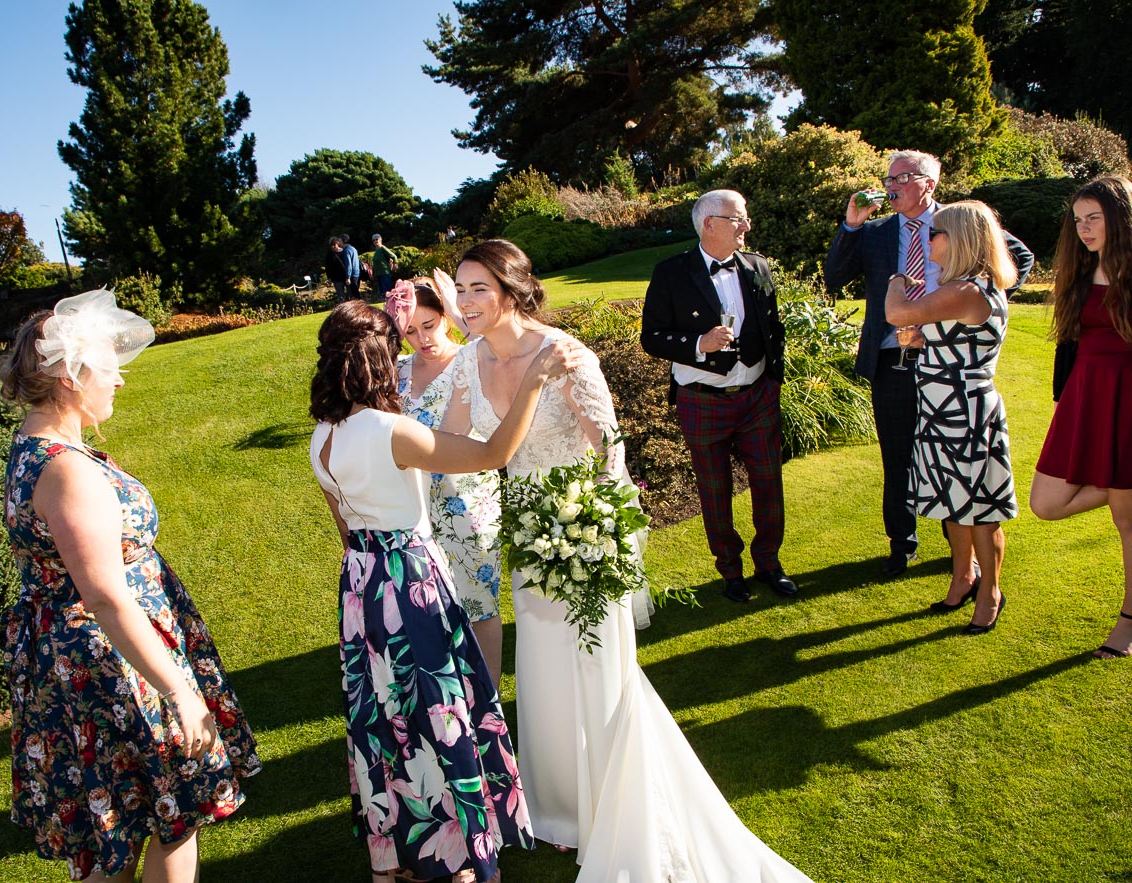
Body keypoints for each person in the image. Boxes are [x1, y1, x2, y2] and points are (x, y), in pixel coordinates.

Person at [442, 239, 813, 882]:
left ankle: (611, 807)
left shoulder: (565, 354)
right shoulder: (469, 361)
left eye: (479, 288)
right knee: (542, 666)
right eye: (461, 288)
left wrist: (588, 523)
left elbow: (608, 450)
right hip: (529, 533)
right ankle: (559, 808)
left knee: (596, 667)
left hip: (584, 531)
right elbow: (450, 440)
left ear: (511, 290)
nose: (466, 302)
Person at [310, 300, 582, 882]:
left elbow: (346, 530)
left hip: (361, 586)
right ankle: (457, 853)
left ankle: (403, 851)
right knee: (438, 710)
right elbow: (492, 454)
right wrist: (534, 381)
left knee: (387, 715)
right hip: (411, 581)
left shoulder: (321, 438)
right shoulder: (393, 431)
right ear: (379, 362)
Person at [0, 290, 261, 882]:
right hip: (110, 663)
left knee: (117, 825)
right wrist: (179, 691)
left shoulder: (35, 449)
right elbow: (106, 597)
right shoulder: (66, 469)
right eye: (107, 368)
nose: (119, 380)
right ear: (70, 378)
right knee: (175, 814)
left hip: (82, 661)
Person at [825, 150, 1034, 580]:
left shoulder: (960, 223)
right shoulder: (876, 232)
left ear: (929, 184)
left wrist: (974, 313)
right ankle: (901, 545)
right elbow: (834, 277)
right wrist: (852, 225)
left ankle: (961, 553)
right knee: (898, 456)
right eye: (888, 179)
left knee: (951, 453)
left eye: (901, 178)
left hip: (949, 362)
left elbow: (1019, 257)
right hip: (893, 359)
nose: (890, 186)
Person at [640, 189, 795, 603]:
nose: (747, 226)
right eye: (738, 218)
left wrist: (773, 380)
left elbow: (773, 327)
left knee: (768, 481)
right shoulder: (672, 272)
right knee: (714, 489)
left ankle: (769, 563)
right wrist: (698, 343)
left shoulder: (757, 265)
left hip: (758, 395)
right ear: (710, 224)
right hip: (702, 397)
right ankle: (730, 570)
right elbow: (651, 337)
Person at [884, 201, 1019, 634]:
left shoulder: (969, 290)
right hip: (942, 409)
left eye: (935, 232)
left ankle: (990, 591)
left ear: (959, 239)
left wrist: (896, 280)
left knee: (980, 507)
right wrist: (922, 342)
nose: (928, 239)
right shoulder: (963, 288)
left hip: (965, 412)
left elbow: (896, 312)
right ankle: (963, 577)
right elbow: (957, 342)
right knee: (952, 502)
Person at [1030, 176, 1132, 658]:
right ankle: (1122, 486)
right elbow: (1069, 344)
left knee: (1126, 521)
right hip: (1086, 397)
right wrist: (1064, 398)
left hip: (1127, 396)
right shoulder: (1080, 269)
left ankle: (1128, 622)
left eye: (1094, 218)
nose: (1084, 228)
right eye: (1078, 220)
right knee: (1046, 503)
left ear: (1121, 218)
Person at [386, 272, 505, 678]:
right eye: (411, 331)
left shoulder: (473, 359)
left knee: (480, 605)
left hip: (467, 502)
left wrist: (458, 311)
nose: (423, 339)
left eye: (430, 324)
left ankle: (489, 701)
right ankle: (447, 696)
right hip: (412, 508)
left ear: (445, 318)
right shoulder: (396, 371)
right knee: (429, 607)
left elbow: (496, 347)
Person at [371, 233, 399, 299]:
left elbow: (394, 256)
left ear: (380, 240)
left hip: (385, 273)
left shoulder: (382, 248)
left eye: (376, 239)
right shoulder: (376, 251)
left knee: (387, 292)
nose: (375, 241)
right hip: (378, 274)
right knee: (382, 293)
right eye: (373, 240)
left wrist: (395, 264)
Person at [325, 235, 347, 301]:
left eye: (334, 245)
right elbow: (328, 267)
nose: (333, 247)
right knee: (341, 296)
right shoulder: (330, 255)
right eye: (331, 245)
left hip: (346, 276)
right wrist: (329, 278)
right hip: (336, 278)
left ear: (337, 243)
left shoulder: (345, 251)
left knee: (350, 294)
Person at [340, 234, 361, 299]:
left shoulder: (346, 250)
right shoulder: (353, 248)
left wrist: (348, 277)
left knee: (354, 294)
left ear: (343, 241)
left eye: (340, 241)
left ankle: (360, 304)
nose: (339, 242)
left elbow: (348, 264)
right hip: (357, 273)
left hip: (352, 274)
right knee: (356, 291)